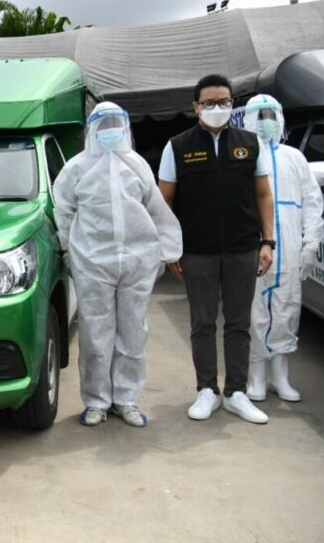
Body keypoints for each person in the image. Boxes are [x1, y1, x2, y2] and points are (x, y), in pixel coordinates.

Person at [54, 102, 182, 427]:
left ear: (125, 128)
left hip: (136, 260)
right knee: (95, 333)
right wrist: (68, 249)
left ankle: (127, 399)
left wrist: (168, 251)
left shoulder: (137, 165)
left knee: (133, 332)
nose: (110, 130)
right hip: (92, 261)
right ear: (93, 129)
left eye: (116, 123)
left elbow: (156, 208)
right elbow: (64, 211)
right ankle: (96, 401)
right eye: (104, 124)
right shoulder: (76, 168)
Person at [158, 75, 276, 424]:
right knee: (203, 323)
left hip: (243, 248)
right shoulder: (177, 146)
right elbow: (163, 202)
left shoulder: (250, 143)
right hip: (197, 251)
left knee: (239, 323)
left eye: (224, 102)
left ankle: (236, 392)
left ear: (232, 104)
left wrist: (267, 242)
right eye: (209, 102)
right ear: (196, 107)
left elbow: (263, 194)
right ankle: (206, 390)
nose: (217, 108)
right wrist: (171, 249)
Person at [242, 94, 324, 403]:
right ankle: (256, 377)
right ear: (248, 120)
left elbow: (313, 201)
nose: (266, 122)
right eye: (260, 116)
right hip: (252, 244)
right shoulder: (243, 156)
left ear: (280, 118)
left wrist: (311, 242)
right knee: (254, 308)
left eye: (271, 115)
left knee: (286, 307)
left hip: (288, 245)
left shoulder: (295, 157)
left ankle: (280, 376)